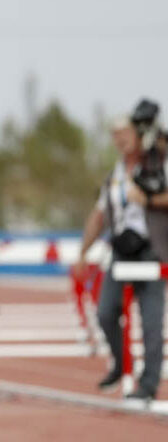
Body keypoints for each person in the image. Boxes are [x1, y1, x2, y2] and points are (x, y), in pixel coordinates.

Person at [75, 108, 168, 401]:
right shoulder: (114, 174)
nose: (119, 140)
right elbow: (99, 215)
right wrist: (82, 253)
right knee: (105, 312)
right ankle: (123, 363)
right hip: (121, 250)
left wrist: (150, 199)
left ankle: (148, 385)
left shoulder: (159, 164)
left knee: (152, 320)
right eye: (115, 136)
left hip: (152, 249)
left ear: (139, 135)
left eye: (124, 134)